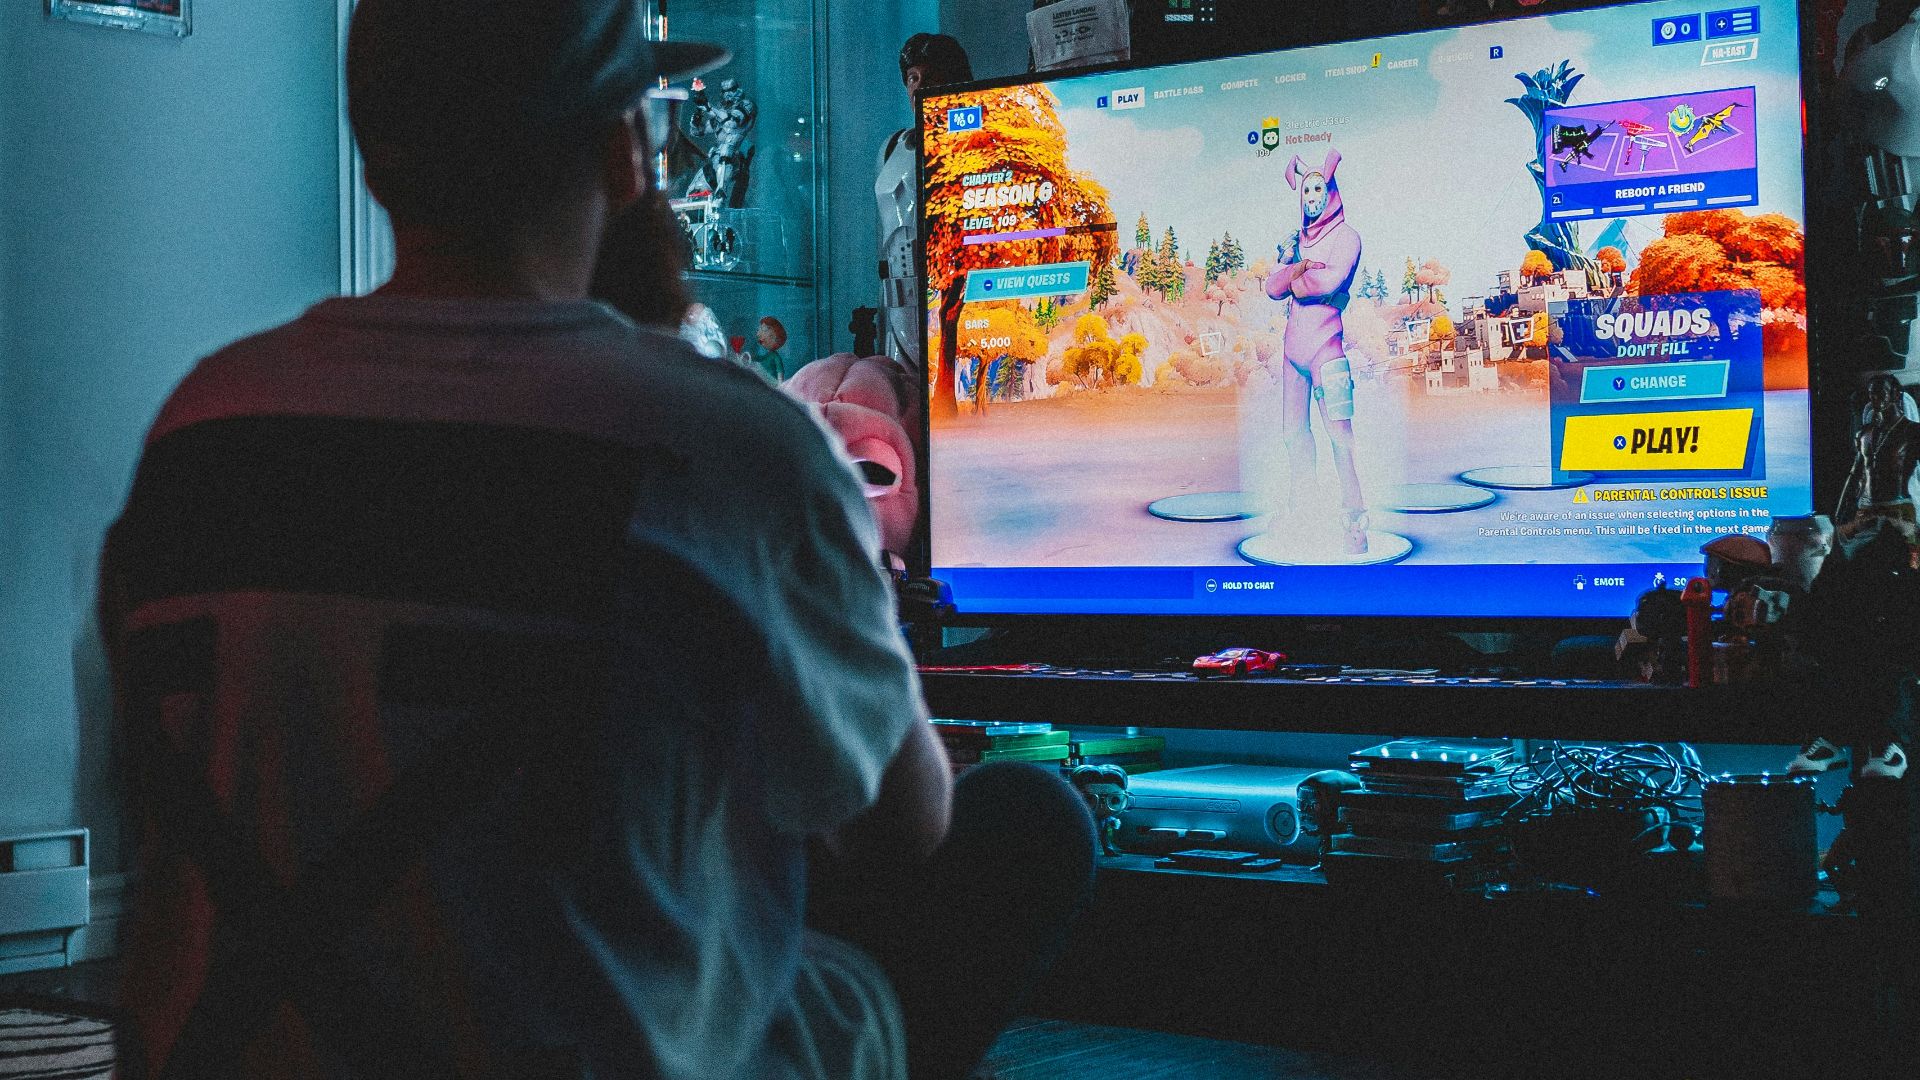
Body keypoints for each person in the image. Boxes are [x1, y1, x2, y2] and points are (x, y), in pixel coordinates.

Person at [99, 3, 1093, 1080]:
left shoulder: (204, 421)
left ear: (381, 157)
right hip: (594, 1054)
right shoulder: (725, 437)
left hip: (227, 1051)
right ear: (629, 152)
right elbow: (902, 825)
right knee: (1028, 819)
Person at [877, 33, 973, 373]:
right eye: (913, 78)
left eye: (930, 77)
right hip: (897, 298)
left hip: (947, 293)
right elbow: (884, 236)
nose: (919, 87)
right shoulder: (892, 147)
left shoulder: (970, 144)